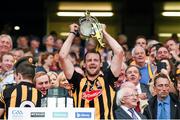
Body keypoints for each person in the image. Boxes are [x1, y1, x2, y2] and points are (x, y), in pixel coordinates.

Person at [59, 23, 123, 119]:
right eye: (89, 60)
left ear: (101, 64)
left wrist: (103, 32)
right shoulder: (77, 80)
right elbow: (62, 56)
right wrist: (72, 33)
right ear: (84, 64)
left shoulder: (108, 78)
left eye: (96, 60)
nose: (92, 62)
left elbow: (119, 52)